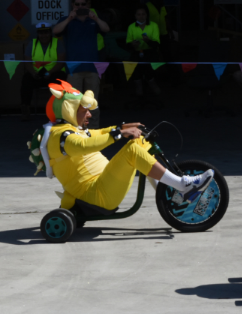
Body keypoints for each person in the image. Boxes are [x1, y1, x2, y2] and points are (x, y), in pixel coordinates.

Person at [44, 79, 214, 212]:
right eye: (84, 110)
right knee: (132, 151)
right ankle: (183, 186)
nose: (89, 114)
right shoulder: (60, 136)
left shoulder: (73, 129)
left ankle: (167, 192)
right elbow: (84, 145)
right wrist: (120, 134)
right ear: (69, 110)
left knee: (139, 142)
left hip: (102, 185)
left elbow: (99, 133)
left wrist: (122, 127)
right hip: (97, 194)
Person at [53, 0, 110, 128]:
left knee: (93, 102)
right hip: (74, 70)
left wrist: (95, 18)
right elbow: (55, 31)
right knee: (73, 102)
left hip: (92, 68)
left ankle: (93, 131)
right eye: (77, 4)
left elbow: (106, 28)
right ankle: (73, 130)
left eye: (83, 4)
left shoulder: (93, 20)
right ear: (72, 5)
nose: (80, 7)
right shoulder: (66, 19)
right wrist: (69, 19)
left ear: (88, 5)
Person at [21, 23, 67, 121]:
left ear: (50, 33)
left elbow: (61, 62)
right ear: (38, 34)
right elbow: (27, 61)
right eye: (41, 33)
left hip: (53, 73)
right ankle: (26, 109)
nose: (44, 35)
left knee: (59, 78)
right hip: (37, 75)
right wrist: (33, 73)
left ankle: (57, 111)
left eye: (46, 33)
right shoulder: (32, 43)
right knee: (26, 79)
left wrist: (50, 72)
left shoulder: (57, 43)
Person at [126, 4, 161, 98]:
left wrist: (148, 41)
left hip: (150, 53)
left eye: (143, 14)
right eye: (139, 14)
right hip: (137, 52)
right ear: (135, 15)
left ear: (147, 15)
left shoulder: (154, 25)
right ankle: (139, 89)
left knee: (149, 70)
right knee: (135, 69)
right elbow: (128, 43)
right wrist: (132, 44)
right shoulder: (131, 27)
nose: (141, 16)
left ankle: (153, 85)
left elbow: (157, 44)